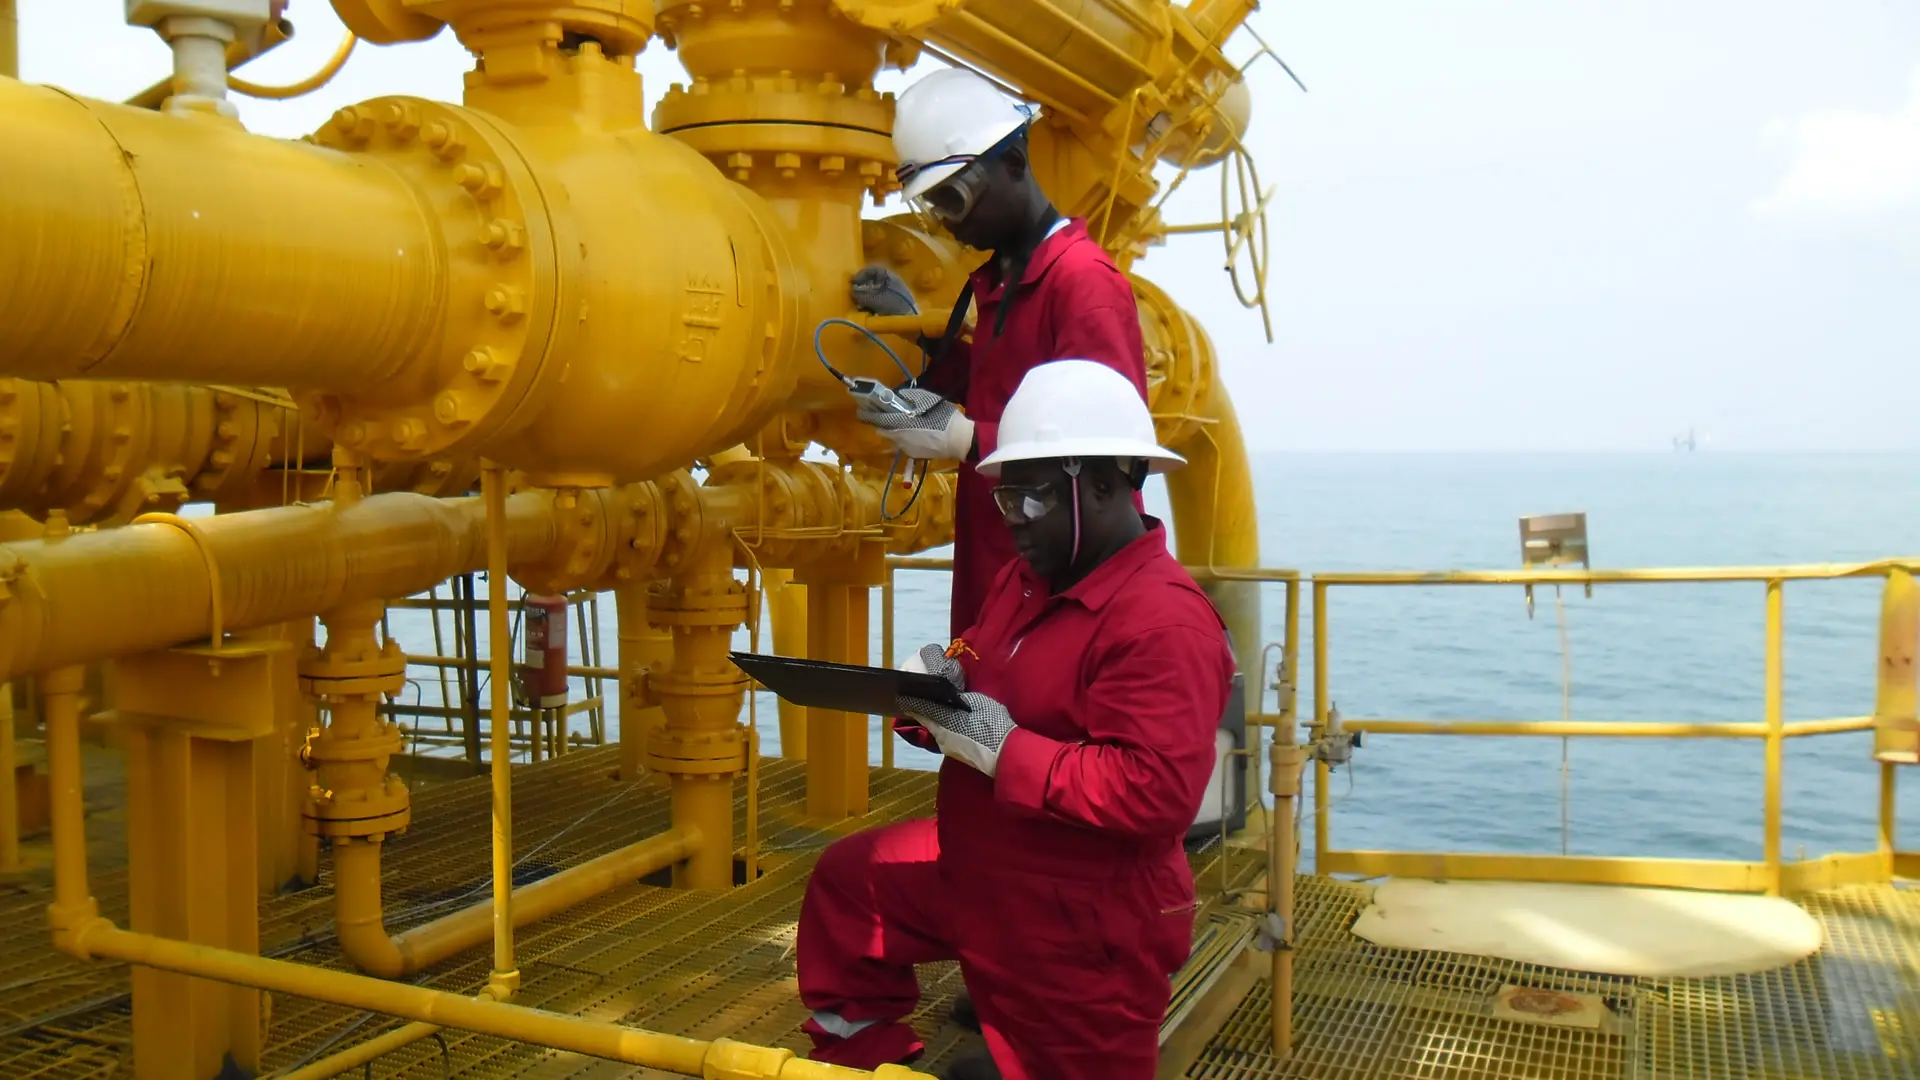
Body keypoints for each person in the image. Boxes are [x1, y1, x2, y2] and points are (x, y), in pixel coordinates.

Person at [795, 360, 1237, 1080]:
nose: (1015, 521)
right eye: (1007, 498)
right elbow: (978, 655)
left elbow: (1154, 793)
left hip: (1080, 916)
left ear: (1105, 484)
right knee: (852, 883)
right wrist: (934, 682)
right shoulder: (1028, 579)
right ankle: (865, 1055)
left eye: (1033, 498)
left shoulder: (1163, 624)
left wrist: (1002, 749)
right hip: (983, 867)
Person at [848, 67, 1151, 642]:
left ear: (1013, 162)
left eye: (955, 199)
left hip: (1061, 594)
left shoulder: (1083, 284)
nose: (949, 224)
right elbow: (1004, 389)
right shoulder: (1003, 281)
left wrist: (966, 440)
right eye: (933, 206)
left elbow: (1107, 457)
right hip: (1001, 576)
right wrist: (919, 337)